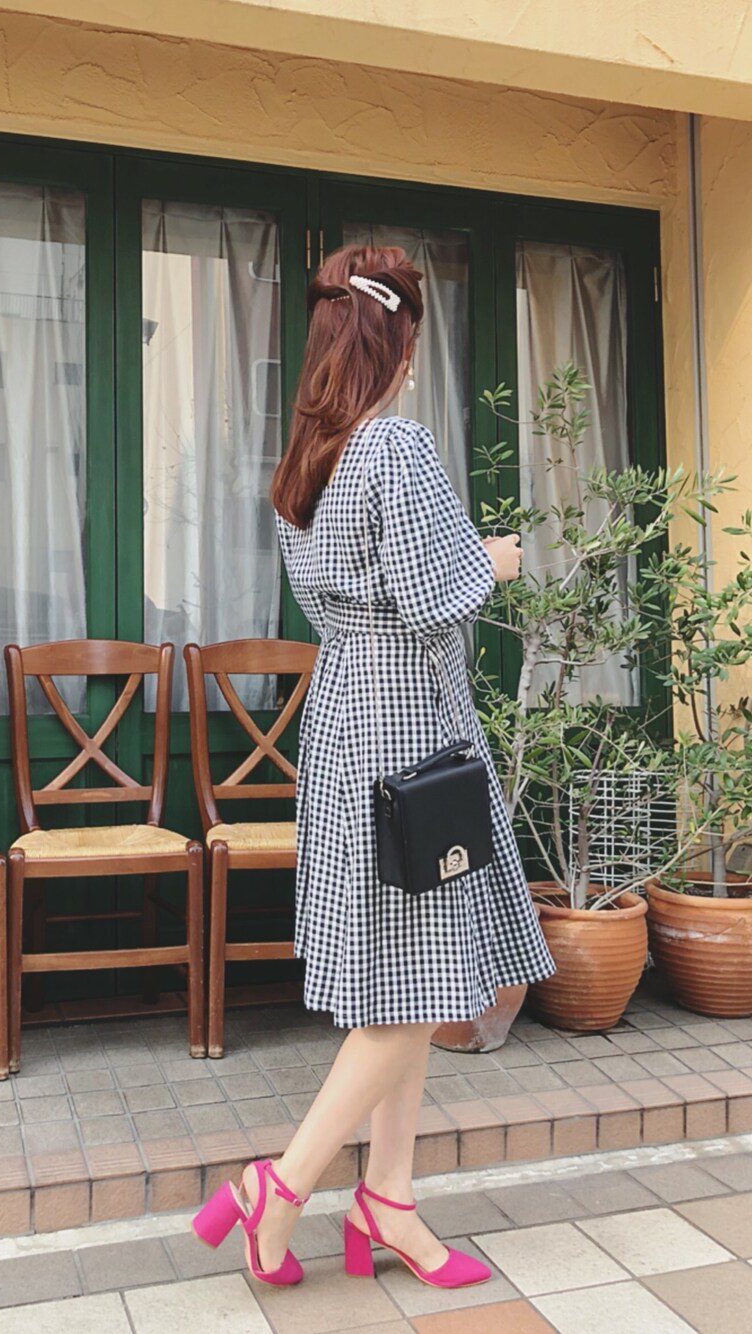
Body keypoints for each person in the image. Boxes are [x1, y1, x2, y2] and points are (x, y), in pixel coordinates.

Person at [192, 245, 555, 1290]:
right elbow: (436, 592)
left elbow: (363, 587)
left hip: (346, 713)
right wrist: (492, 560)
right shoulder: (393, 444)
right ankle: (282, 1184)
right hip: (409, 724)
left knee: (408, 970)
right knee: (417, 977)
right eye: (413, 335)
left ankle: (388, 1196)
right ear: (393, 342)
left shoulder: (305, 462)